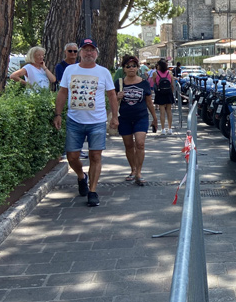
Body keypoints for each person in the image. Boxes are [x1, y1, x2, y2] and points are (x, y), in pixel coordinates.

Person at [53, 37, 118, 207]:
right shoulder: (70, 70)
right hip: (75, 120)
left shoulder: (103, 72)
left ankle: (93, 191)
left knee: (95, 156)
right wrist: (57, 114)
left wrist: (115, 117)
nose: (89, 53)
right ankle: (82, 176)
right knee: (72, 156)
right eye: (85, 49)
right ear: (80, 52)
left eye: (92, 50)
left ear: (96, 53)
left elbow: (112, 95)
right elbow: (62, 93)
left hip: (97, 121)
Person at [116, 55, 158, 186]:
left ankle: (139, 173)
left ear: (138, 68)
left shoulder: (144, 83)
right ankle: (133, 169)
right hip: (124, 118)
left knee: (140, 144)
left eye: (134, 66)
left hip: (141, 117)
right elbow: (112, 102)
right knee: (129, 145)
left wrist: (155, 119)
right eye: (128, 66)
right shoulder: (119, 83)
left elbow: (149, 103)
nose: (131, 68)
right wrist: (118, 97)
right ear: (124, 68)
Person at [151, 58, 176, 135]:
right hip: (168, 92)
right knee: (169, 111)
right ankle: (170, 128)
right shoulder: (170, 73)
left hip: (160, 93)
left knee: (162, 112)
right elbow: (172, 84)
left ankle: (163, 129)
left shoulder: (155, 73)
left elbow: (155, 83)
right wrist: (171, 92)